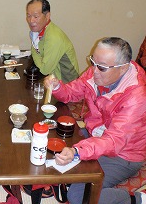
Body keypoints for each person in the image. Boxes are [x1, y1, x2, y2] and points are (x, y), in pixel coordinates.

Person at [44, 37, 146, 204]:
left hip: (124, 154)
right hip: (96, 134)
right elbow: (71, 92)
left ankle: (134, 199)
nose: (94, 70)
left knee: (78, 197)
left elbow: (114, 141)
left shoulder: (137, 97)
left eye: (102, 67)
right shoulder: (96, 71)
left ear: (123, 68)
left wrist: (78, 151)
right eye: (93, 61)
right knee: (56, 134)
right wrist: (57, 87)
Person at [26, 0, 79, 83]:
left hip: (67, 87)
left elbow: (45, 69)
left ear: (47, 16)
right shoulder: (41, 31)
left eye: (36, 16)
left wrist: (34, 48)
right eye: (28, 16)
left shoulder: (54, 37)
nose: (31, 20)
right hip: (53, 80)